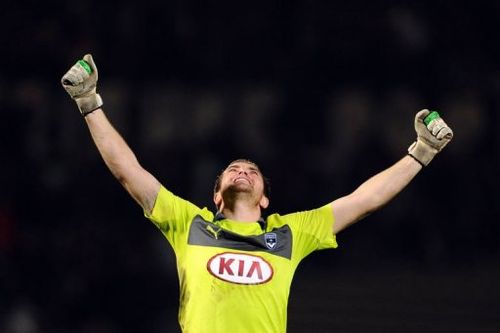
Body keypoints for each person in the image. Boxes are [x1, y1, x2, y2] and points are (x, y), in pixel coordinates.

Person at [61, 54, 453, 333]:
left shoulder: (289, 233)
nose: (243, 169)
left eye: (253, 170)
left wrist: (421, 152)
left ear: (265, 198)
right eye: (232, 169)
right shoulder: (189, 223)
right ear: (217, 196)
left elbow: (364, 200)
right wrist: (89, 102)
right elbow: (129, 172)